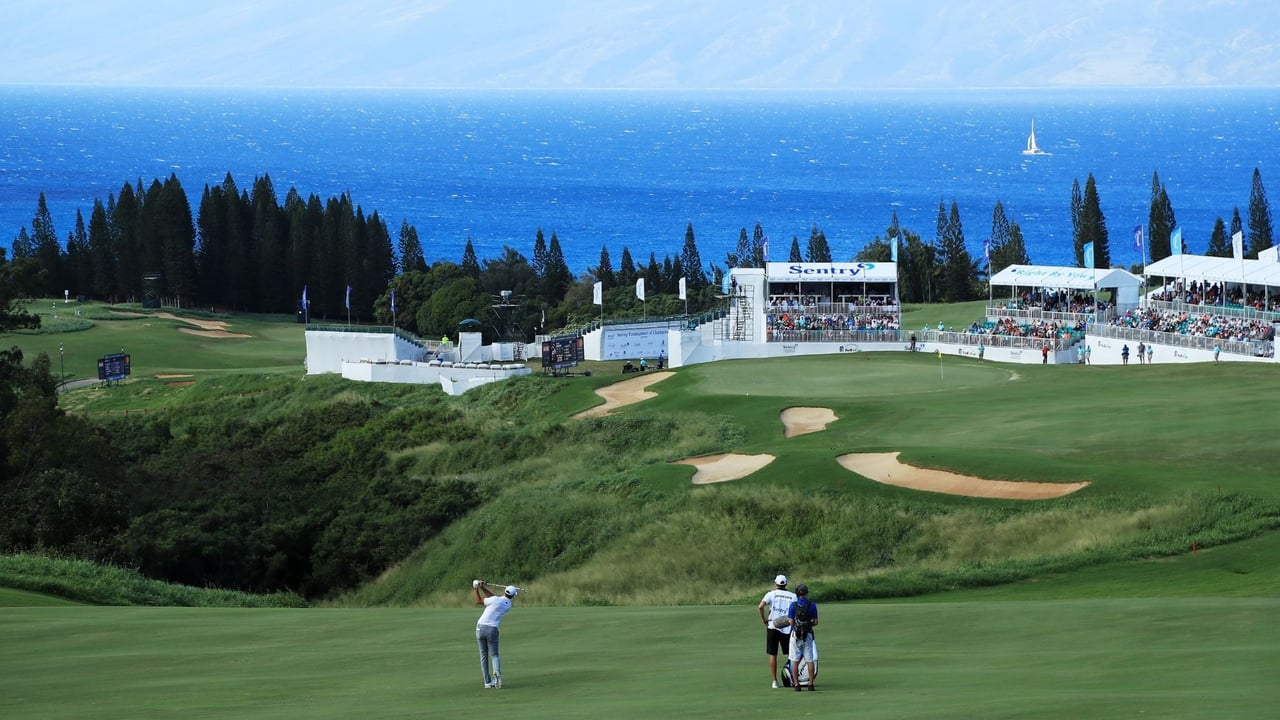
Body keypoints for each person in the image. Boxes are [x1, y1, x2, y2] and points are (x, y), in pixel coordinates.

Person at [473, 580, 518, 689]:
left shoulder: (495, 600)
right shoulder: (508, 605)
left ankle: (487, 682)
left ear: (505, 591)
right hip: (492, 629)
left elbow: (478, 601)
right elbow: (493, 597)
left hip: (480, 627)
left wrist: (475, 588)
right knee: (494, 655)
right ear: (512, 596)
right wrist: (483, 587)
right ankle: (496, 673)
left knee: (483, 655)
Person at [757, 574, 798, 689]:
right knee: (791, 655)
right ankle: (793, 679)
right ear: (785, 584)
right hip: (787, 628)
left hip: (773, 627)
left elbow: (760, 606)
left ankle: (774, 681)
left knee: (773, 655)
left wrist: (763, 619)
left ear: (776, 583)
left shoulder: (771, 594)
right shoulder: (793, 596)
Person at [787, 583, 818, 691]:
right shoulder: (812, 605)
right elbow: (816, 622)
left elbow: (790, 621)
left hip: (795, 635)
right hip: (808, 634)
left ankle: (796, 685)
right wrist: (808, 624)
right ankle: (811, 684)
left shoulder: (793, 605)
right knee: (809, 660)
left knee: (794, 660)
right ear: (806, 592)